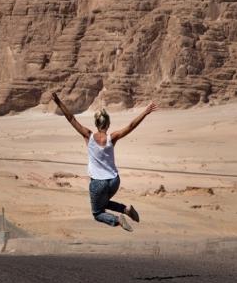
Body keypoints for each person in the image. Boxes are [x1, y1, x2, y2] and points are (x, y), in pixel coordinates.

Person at [51, 92, 158, 232]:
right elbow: (131, 125)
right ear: (108, 124)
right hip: (114, 180)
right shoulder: (112, 138)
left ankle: (117, 219)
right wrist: (145, 112)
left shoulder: (88, 135)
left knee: (97, 213)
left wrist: (58, 102)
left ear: (96, 124)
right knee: (104, 203)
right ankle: (126, 210)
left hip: (97, 183)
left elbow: (71, 118)